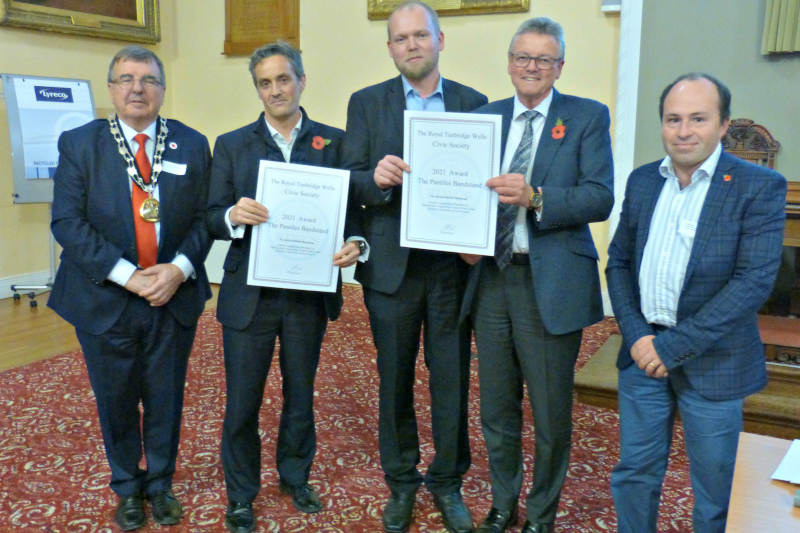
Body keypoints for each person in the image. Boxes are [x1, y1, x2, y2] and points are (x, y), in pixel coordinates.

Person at [606, 73, 786, 533]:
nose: (683, 131)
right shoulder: (644, 181)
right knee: (634, 474)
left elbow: (752, 283)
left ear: (723, 125)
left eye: (698, 119)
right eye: (673, 119)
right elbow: (619, 263)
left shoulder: (758, 186)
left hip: (715, 362)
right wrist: (638, 335)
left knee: (716, 491)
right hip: (643, 355)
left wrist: (671, 348)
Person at [459, 17, 614, 533]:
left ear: (559, 67)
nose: (531, 66)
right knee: (496, 408)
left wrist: (537, 197)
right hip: (491, 281)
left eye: (543, 59)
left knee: (549, 414)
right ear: (509, 63)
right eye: (523, 57)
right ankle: (503, 503)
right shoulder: (485, 118)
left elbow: (600, 197)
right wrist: (464, 240)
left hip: (550, 285)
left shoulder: (586, 117)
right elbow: (464, 194)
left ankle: (541, 516)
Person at [48, 46, 212, 531]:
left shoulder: (192, 143)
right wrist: (127, 275)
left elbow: (206, 218)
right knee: (115, 399)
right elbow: (67, 222)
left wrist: (178, 270)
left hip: (171, 296)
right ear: (111, 88)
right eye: (126, 79)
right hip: (104, 297)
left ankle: (160, 485)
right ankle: (126, 485)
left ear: (162, 89)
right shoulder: (80, 143)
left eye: (148, 80)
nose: (137, 89)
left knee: (166, 396)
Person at [340, 2, 487, 532]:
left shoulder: (474, 103)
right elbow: (350, 179)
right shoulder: (366, 103)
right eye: (400, 39)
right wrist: (374, 179)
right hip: (391, 271)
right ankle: (401, 481)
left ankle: (448, 482)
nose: (411, 46)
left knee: (451, 379)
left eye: (420, 35)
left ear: (440, 40)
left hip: (452, 268)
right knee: (394, 378)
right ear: (390, 49)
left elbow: (484, 184)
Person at [206, 41, 362, 533]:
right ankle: (241, 494)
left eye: (283, 79)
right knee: (242, 401)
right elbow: (210, 215)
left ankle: (296, 476)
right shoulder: (232, 145)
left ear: (301, 81)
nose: (275, 90)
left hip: (307, 295)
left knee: (300, 394)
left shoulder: (335, 143)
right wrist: (232, 215)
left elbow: (354, 213)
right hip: (249, 297)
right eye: (265, 83)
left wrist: (356, 242)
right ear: (257, 89)